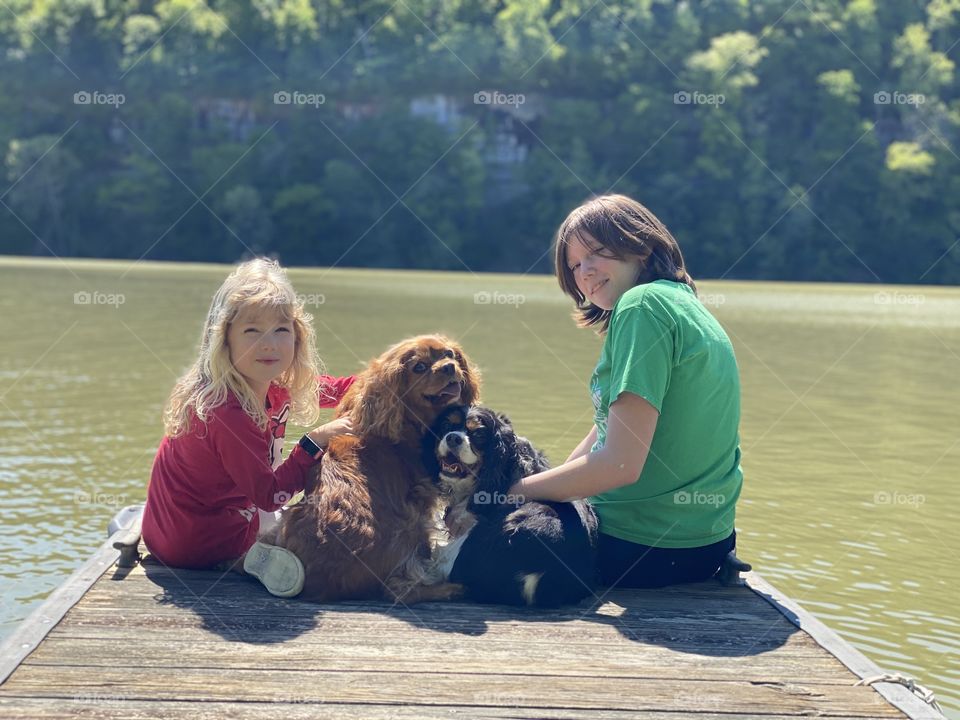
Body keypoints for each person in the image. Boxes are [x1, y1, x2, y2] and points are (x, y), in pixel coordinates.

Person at [508, 194, 743, 588]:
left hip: (642, 548)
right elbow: (606, 431)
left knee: (484, 539)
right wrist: (546, 487)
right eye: (575, 265)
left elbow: (620, 463)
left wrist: (510, 494)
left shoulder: (641, 307)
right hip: (705, 546)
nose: (585, 271)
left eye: (597, 252)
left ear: (642, 244)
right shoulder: (684, 305)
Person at [142, 258, 355, 597]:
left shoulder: (271, 382)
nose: (269, 344)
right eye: (252, 331)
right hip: (198, 545)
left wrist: (391, 377)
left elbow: (340, 387)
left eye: (281, 330)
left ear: (298, 338)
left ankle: (144, 524)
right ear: (224, 340)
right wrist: (314, 442)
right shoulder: (226, 411)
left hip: (166, 531)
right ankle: (244, 558)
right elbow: (270, 496)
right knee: (306, 530)